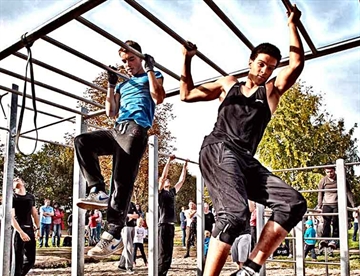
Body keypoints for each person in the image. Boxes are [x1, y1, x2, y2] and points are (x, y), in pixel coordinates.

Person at [180, 4, 307, 276]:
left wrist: (292, 25)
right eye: (261, 64)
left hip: (245, 160)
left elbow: (296, 63)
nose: (264, 71)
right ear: (250, 61)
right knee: (234, 216)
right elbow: (186, 94)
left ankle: (249, 269)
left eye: (270, 67)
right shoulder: (228, 84)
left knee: (292, 203)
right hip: (218, 148)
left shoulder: (271, 92)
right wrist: (187, 58)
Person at [74, 40, 165, 257]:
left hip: (136, 128)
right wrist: (111, 84)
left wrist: (151, 70)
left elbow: (158, 97)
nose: (127, 64)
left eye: (131, 59)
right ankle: (97, 190)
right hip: (117, 129)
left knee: (121, 178)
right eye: (124, 61)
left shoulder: (152, 75)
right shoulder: (124, 84)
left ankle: (113, 234)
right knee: (82, 141)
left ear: (141, 58)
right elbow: (110, 112)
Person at [158, 155, 188, 276]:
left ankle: (164, 272)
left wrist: (184, 167)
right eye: (166, 180)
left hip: (170, 225)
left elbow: (181, 181)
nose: (168, 180)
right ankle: (159, 273)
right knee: (162, 252)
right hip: (162, 224)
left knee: (169, 253)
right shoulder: (159, 192)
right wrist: (169, 161)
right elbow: (163, 176)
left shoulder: (171, 192)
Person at [317, 167, 356, 249]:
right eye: (327, 172)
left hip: (337, 204)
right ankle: (325, 239)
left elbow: (348, 192)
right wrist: (319, 206)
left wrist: (354, 206)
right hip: (326, 203)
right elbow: (320, 194)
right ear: (325, 172)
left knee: (336, 222)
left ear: (334, 171)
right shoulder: (323, 180)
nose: (330, 174)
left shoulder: (341, 179)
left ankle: (334, 241)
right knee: (326, 222)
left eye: (331, 171)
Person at [11, 177, 40, 276]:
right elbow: (11, 217)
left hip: (30, 229)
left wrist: (38, 228)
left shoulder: (30, 197)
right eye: (14, 180)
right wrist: (20, 232)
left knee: (31, 260)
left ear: (23, 182)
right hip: (18, 230)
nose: (16, 180)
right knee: (18, 260)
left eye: (17, 179)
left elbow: (35, 214)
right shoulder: (12, 197)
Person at [118, 201, 139, 273]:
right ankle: (129, 267)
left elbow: (138, 214)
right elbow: (121, 215)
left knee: (127, 246)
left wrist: (130, 216)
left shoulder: (132, 204)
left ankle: (121, 264)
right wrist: (132, 216)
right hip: (125, 227)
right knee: (129, 247)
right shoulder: (121, 203)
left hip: (133, 226)